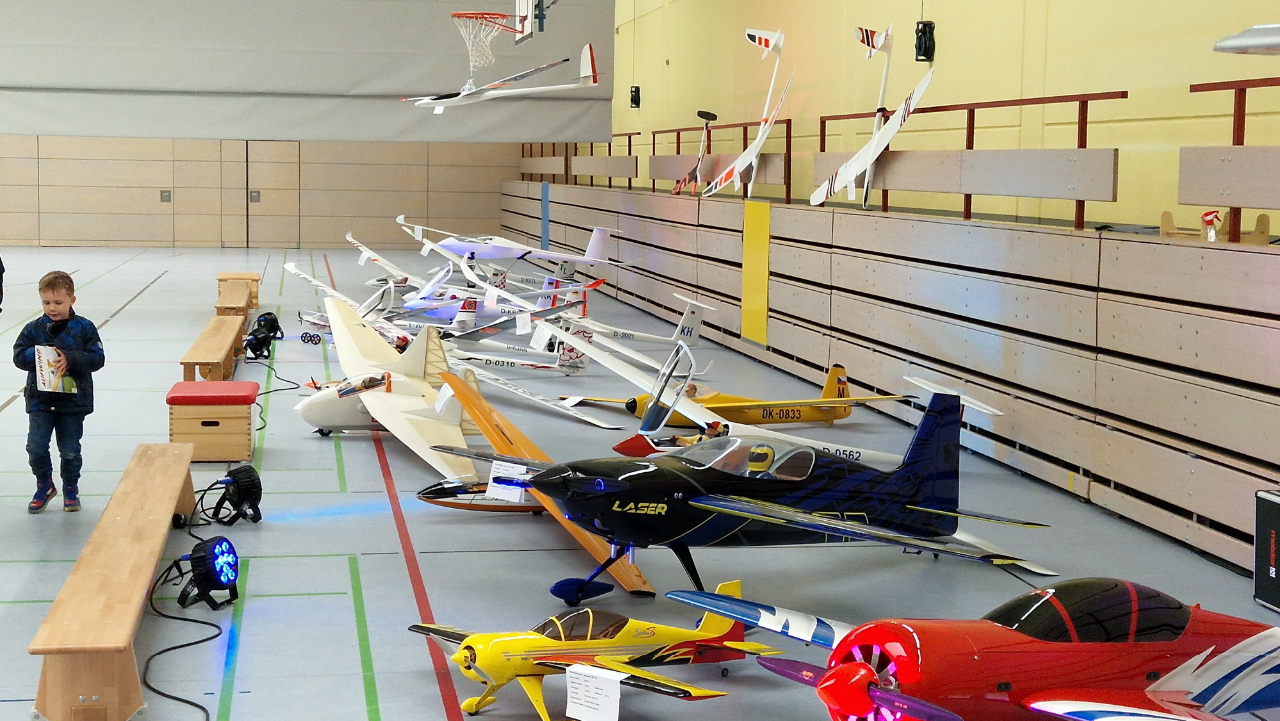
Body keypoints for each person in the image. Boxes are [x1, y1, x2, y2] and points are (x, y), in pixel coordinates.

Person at [12, 271, 105, 513]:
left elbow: (97, 358)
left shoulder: (84, 327)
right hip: (41, 401)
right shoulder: (33, 329)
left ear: (72, 300)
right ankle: (44, 484)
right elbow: (18, 355)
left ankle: (71, 488)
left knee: (70, 450)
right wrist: (38, 355)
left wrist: (71, 359)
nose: (52, 308)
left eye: (58, 302)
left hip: (73, 402)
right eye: (46, 302)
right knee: (36, 447)